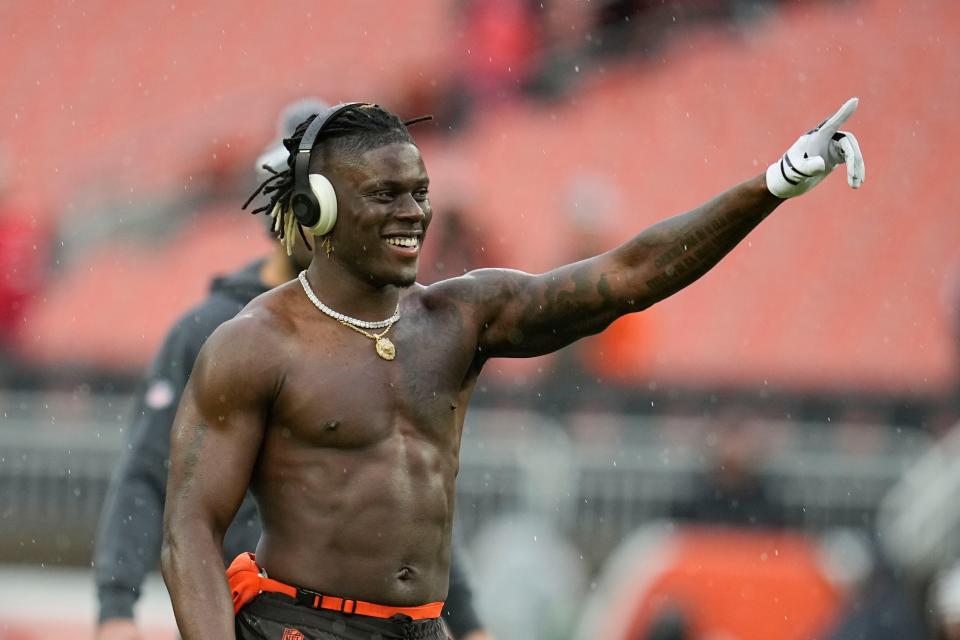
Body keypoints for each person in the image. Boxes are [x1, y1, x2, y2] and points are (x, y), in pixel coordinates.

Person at [161, 99, 865, 639]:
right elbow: (189, 527)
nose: (416, 213)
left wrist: (773, 185)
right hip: (300, 627)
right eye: (387, 195)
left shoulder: (454, 319)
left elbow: (628, 276)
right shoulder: (255, 343)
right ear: (321, 210)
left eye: (419, 191)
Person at [94, 99, 489, 640]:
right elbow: (148, 474)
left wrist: (465, 620)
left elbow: (408, 489)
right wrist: (116, 607)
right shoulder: (214, 331)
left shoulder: (388, 321)